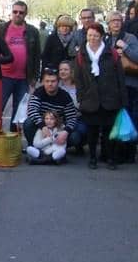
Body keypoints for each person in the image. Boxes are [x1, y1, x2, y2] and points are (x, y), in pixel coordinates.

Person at [75, 22, 127, 170]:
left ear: (102, 36)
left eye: (96, 35)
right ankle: (92, 158)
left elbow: (120, 78)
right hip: (90, 100)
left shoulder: (112, 53)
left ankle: (110, 157)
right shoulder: (81, 55)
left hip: (110, 99)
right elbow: (78, 79)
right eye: (90, 35)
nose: (92, 38)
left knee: (109, 132)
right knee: (92, 131)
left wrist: (123, 100)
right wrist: (81, 97)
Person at [1, 1, 41, 130]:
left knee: (19, 112)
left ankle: (13, 142)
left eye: (21, 12)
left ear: (25, 14)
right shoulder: (2, 28)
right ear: (11, 12)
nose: (17, 14)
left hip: (23, 78)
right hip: (3, 76)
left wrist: (34, 77)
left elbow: (36, 55)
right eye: (15, 11)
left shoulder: (33, 31)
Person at [23, 67, 80, 158]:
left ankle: (58, 149)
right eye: (47, 81)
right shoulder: (38, 92)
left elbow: (72, 117)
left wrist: (66, 131)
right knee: (28, 123)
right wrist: (43, 126)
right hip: (41, 127)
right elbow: (32, 110)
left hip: (58, 128)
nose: (50, 84)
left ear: (58, 82)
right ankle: (34, 147)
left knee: (75, 137)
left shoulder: (65, 96)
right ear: (43, 82)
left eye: (53, 81)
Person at [105, 10, 138, 162]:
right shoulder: (105, 39)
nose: (116, 23)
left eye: (118, 20)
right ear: (108, 24)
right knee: (115, 119)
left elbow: (137, 56)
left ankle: (129, 153)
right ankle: (115, 152)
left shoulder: (129, 38)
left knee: (129, 118)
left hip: (129, 84)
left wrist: (124, 47)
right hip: (112, 86)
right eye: (113, 21)